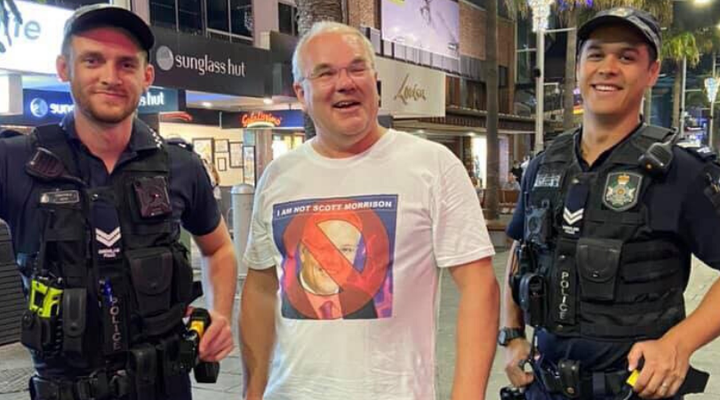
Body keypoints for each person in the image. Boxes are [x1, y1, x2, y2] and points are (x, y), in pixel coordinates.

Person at [240, 21, 499, 400]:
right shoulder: (279, 176)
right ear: (301, 92)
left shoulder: (432, 165)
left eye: (357, 68)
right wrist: (254, 390)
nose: (345, 82)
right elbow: (261, 289)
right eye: (325, 73)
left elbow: (478, 285)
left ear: (374, 80)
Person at [0, 5, 237, 400]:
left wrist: (221, 314)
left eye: (126, 64)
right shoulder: (15, 161)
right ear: (64, 68)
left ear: (147, 77)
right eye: (92, 60)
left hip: (164, 388)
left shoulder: (180, 166)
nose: (110, 77)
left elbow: (220, 249)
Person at [501, 7, 720, 400]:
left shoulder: (682, 172)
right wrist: (513, 335)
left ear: (651, 73)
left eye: (627, 56)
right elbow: (521, 251)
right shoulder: (543, 165)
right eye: (597, 54)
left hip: (633, 392)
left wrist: (679, 344)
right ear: (580, 66)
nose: (608, 67)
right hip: (543, 388)